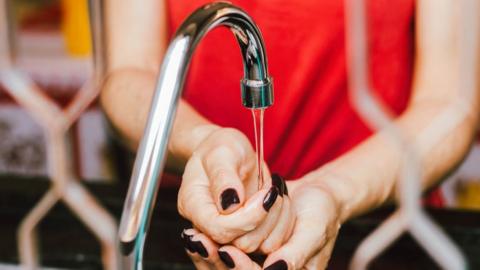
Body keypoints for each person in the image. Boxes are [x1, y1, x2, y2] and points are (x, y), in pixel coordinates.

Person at [101, 0, 480, 269]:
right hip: (201, 225)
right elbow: (129, 73)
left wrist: (334, 191)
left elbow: (449, 103)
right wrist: (202, 143)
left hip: (381, 235)